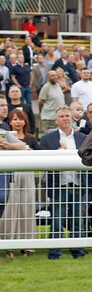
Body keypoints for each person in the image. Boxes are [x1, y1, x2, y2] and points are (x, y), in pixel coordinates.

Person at [40, 106, 90, 259]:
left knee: (78, 221)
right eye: (61, 116)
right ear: (56, 120)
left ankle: (78, 252)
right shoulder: (48, 139)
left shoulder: (82, 138)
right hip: (58, 185)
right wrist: (57, 152)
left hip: (78, 185)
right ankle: (54, 253)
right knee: (57, 221)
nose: (65, 118)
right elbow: (42, 161)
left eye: (67, 115)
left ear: (71, 118)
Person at [0, 109, 38, 258]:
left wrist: (8, 145)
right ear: (10, 121)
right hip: (9, 175)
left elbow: (26, 147)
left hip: (23, 174)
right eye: (15, 119)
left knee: (26, 209)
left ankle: (27, 247)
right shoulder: (5, 132)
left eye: (20, 119)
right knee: (11, 210)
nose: (17, 122)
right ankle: (9, 247)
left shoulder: (5, 133)